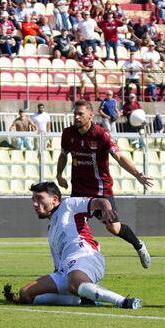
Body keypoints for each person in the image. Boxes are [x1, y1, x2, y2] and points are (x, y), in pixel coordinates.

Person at [2, 182, 142, 309]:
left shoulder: (68, 205)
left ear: (55, 199)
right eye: (33, 200)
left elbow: (100, 201)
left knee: (74, 284)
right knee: (25, 293)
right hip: (64, 271)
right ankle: (82, 300)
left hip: (86, 257)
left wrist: (107, 209)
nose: (35, 204)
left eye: (39, 198)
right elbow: (58, 265)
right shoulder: (51, 231)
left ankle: (124, 301)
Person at [56, 99, 154, 267]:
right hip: (79, 190)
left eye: (80, 114)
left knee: (113, 228)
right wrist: (59, 175)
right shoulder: (68, 134)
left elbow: (120, 156)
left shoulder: (101, 134)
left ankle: (139, 245)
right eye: (75, 114)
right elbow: (64, 155)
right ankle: (67, 264)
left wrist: (137, 174)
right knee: (69, 225)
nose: (76, 117)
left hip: (101, 191)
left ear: (90, 115)